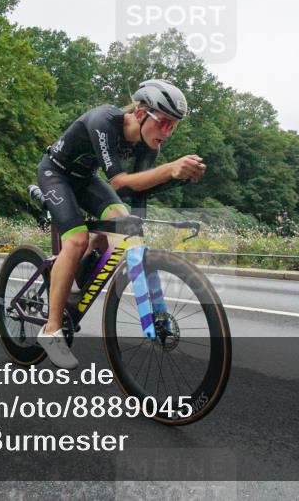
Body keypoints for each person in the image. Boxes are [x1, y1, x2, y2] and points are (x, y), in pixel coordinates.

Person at [36, 79, 206, 369]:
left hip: (86, 179)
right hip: (56, 174)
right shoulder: (104, 120)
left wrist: (175, 178)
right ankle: (51, 330)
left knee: (122, 222)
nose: (167, 133)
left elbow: (137, 193)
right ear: (140, 113)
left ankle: (76, 269)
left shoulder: (149, 147)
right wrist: (169, 170)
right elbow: (118, 182)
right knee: (76, 240)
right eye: (164, 123)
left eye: (173, 127)